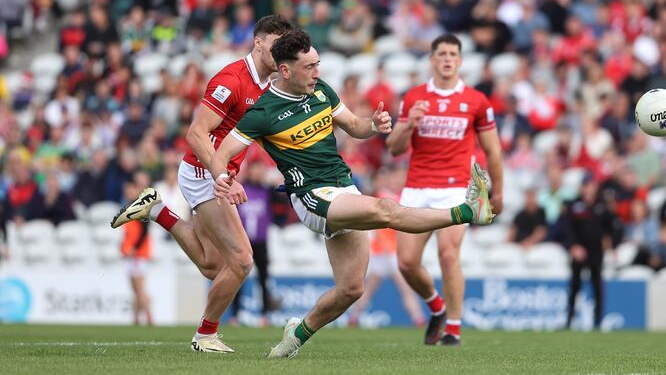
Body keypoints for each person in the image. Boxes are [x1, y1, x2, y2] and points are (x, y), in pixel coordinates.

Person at [209, 30, 494, 359]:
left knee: (351, 288)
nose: (317, 72)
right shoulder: (263, 112)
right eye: (309, 67)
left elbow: (354, 126)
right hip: (312, 196)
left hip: (343, 187)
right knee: (384, 210)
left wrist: (373, 124)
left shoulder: (322, 91)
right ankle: (467, 211)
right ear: (285, 70)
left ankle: (294, 336)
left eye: (318, 64)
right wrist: (222, 177)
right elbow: (222, 150)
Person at [110, 15, 294, 353]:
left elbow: (259, 134)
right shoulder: (232, 79)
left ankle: (156, 210)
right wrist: (222, 176)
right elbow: (195, 134)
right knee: (241, 261)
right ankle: (205, 335)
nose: (281, 52)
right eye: (275, 44)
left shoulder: (269, 85)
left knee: (213, 264)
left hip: (216, 174)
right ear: (257, 42)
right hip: (204, 173)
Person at [385, 33, 504, 346]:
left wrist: (499, 192)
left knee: (448, 254)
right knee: (406, 263)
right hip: (417, 187)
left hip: (455, 189)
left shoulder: (476, 100)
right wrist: (409, 124)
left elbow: (493, 150)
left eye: (453, 53)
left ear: (461, 60)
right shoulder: (413, 97)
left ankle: (453, 328)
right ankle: (436, 307)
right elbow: (394, 149)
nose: (448, 59)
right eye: (442, 53)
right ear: (432, 59)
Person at [348, 166, 425, 328]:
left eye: (400, 177)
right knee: (369, 289)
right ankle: (354, 318)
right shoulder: (383, 196)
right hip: (383, 252)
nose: (397, 180)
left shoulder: (401, 197)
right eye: (395, 177)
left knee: (402, 288)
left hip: (394, 252)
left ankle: (418, 319)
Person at [561, 174, 617, 330]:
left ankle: (598, 322)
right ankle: (569, 321)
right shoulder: (574, 205)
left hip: (596, 251)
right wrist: (573, 246)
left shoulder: (602, 205)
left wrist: (612, 245)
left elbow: (611, 227)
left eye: (590, 185)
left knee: (597, 285)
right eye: (585, 186)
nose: (588, 189)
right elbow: (567, 228)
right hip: (579, 250)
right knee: (574, 286)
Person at [229, 159, 280, 326]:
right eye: (255, 169)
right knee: (238, 278)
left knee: (263, 279)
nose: (258, 173)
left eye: (261, 170)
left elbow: (282, 206)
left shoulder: (267, 191)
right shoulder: (240, 189)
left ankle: (265, 315)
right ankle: (235, 315)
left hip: (260, 242)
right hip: (242, 241)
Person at [121, 172, 153, 326]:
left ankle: (149, 318)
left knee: (139, 288)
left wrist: (134, 247)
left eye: (129, 189)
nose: (127, 192)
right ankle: (136, 319)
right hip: (132, 253)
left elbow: (145, 229)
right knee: (135, 289)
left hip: (139, 253)